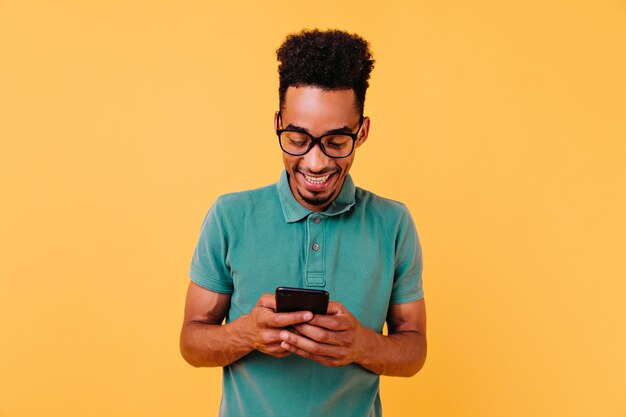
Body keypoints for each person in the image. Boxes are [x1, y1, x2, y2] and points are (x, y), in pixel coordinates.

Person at [180, 29, 427, 417]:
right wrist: (245, 333)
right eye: (297, 138)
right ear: (278, 123)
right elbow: (191, 343)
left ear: (361, 132)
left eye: (336, 141)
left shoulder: (392, 223)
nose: (315, 162)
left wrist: (363, 345)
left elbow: (414, 350)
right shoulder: (229, 216)